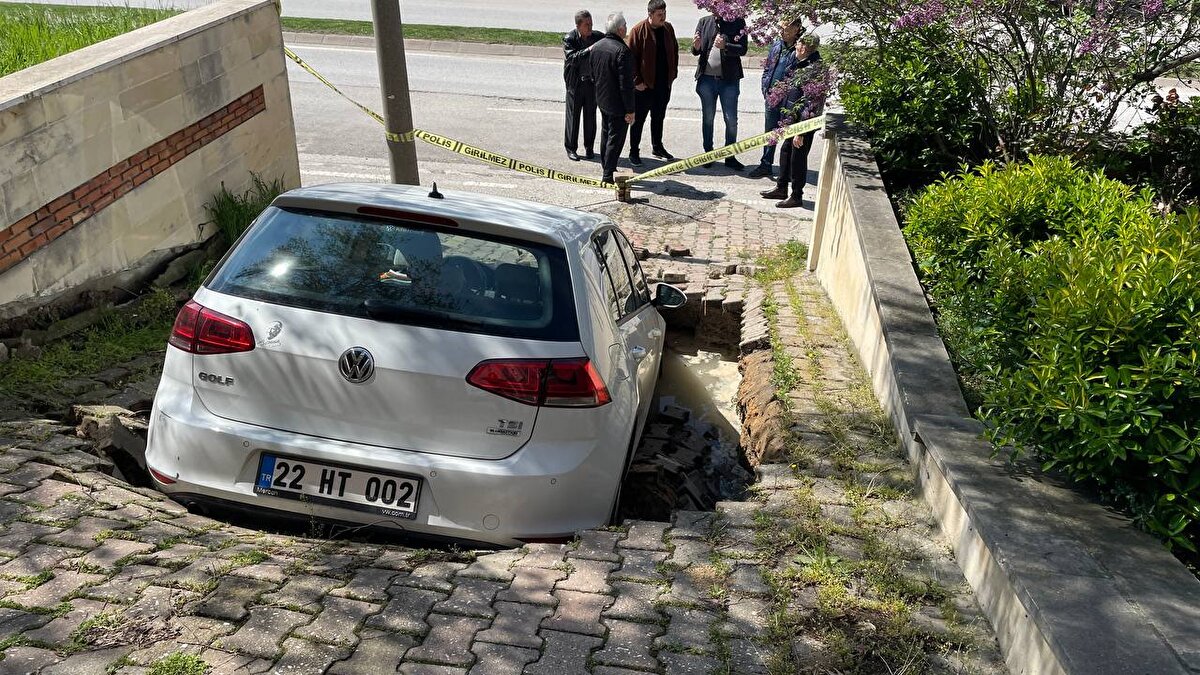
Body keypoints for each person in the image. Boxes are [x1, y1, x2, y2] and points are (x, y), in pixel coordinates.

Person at [761, 33, 825, 208]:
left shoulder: (815, 68)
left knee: (797, 159)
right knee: (786, 153)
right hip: (792, 119)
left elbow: (812, 103)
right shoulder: (799, 63)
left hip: (803, 123)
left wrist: (801, 131)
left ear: (805, 47)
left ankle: (796, 195)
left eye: (798, 44)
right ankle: (781, 188)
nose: (796, 46)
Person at [692, 10, 749, 170]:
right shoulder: (704, 22)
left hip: (729, 81)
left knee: (731, 120)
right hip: (707, 80)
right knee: (708, 118)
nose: (714, 7)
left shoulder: (738, 21)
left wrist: (727, 46)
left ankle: (729, 156)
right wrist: (696, 46)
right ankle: (708, 154)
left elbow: (743, 49)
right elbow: (698, 49)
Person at [626, 0, 679, 166]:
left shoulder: (668, 29)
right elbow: (630, 59)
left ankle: (657, 147)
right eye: (659, 14)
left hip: (663, 85)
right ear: (650, 14)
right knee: (638, 120)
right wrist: (637, 81)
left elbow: (675, 51)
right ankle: (634, 151)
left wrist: (673, 74)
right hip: (644, 86)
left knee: (658, 117)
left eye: (664, 13)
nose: (662, 17)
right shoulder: (638, 30)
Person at [748, 19, 802, 179]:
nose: (782, 32)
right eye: (781, 28)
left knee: (789, 135)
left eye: (785, 29)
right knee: (769, 133)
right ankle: (766, 164)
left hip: (789, 101)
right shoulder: (777, 44)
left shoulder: (800, 48)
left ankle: (788, 170)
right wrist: (765, 88)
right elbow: (768, 68)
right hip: (772, 97)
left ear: (796, 29)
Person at [589, 12, 636, 184]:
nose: (626, 28)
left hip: (602, 99)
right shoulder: (622, 51)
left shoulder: (598, 46)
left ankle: (607, 167)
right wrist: (630, 110)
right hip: (618, 104)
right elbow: (626, 85)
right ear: (619, 28)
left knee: (606, 135)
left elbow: (593, 73)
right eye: (625, 25)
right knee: (615, 139)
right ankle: (608, 174)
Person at [564, 10, 603, 162]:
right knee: (573, 118)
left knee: (590, 117)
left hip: (591, 83)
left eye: (591, 24)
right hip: (575, 84)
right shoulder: (570, 38)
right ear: (578, 26)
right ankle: (571, 148)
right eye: (586, 25)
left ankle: (589, 147)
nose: (590, 27)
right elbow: (572, 58)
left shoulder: (598, 37)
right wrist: (589, 50)